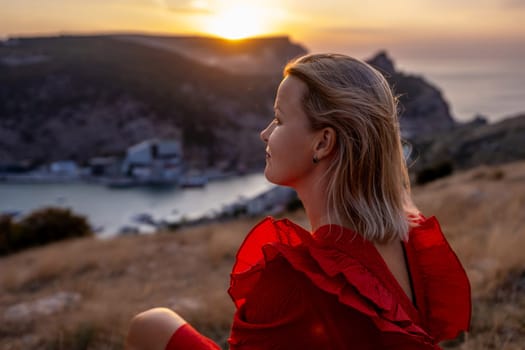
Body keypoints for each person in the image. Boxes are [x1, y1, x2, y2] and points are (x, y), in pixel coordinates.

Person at [125, 53, 471, 350]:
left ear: (322, 143)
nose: (264, 133)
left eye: (278, 119)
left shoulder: (300, 279)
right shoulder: (411, 240)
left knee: (150, 324)